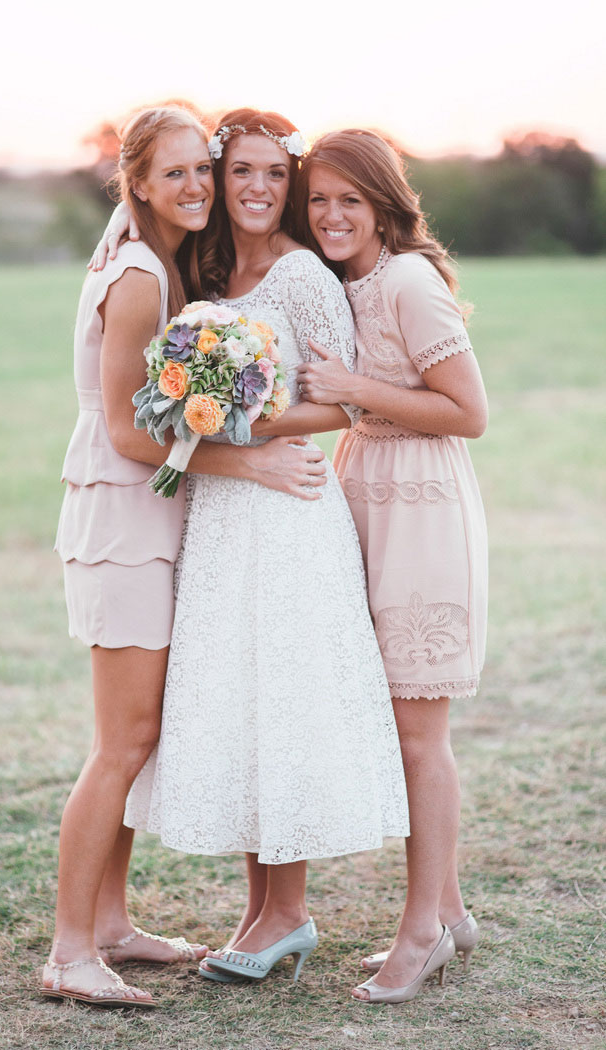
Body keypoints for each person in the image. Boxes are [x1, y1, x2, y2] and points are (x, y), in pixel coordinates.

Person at [44, 105, 329, 1009]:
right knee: (120, 744)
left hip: (150, 521)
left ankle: (114, 924)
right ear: (138, 185)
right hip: (122, 525)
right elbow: (129, 432)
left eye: (201, 169)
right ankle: (68, 950)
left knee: (139, 739)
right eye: (177, 175)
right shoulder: (137, 276)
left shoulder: (160, 260)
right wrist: (246, 457)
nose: (200, 188)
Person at [122, 109, 409, 987]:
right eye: (236, 171)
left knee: (282, 699)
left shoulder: (301, 276)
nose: (252, 189)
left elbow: (344, 401)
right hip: (222, 516)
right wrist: (201, 412)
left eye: (271, 175)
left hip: (287, 509)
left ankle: (288, 911)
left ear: (289, 182)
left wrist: (232, 416)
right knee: (244, 701)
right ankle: (262, 910)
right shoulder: (205, 268)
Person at [296, 128, 488, 1004]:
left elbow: (469, 412)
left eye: (350, 200)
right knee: (396, 724)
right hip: (364, 490)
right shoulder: (348, 282)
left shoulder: (408, 280)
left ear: (382, 204)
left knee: (420, 734)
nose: (332, 216)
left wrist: (353, 387)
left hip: (421, 508)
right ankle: (448, 912)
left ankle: (421, 934)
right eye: (319, 200)